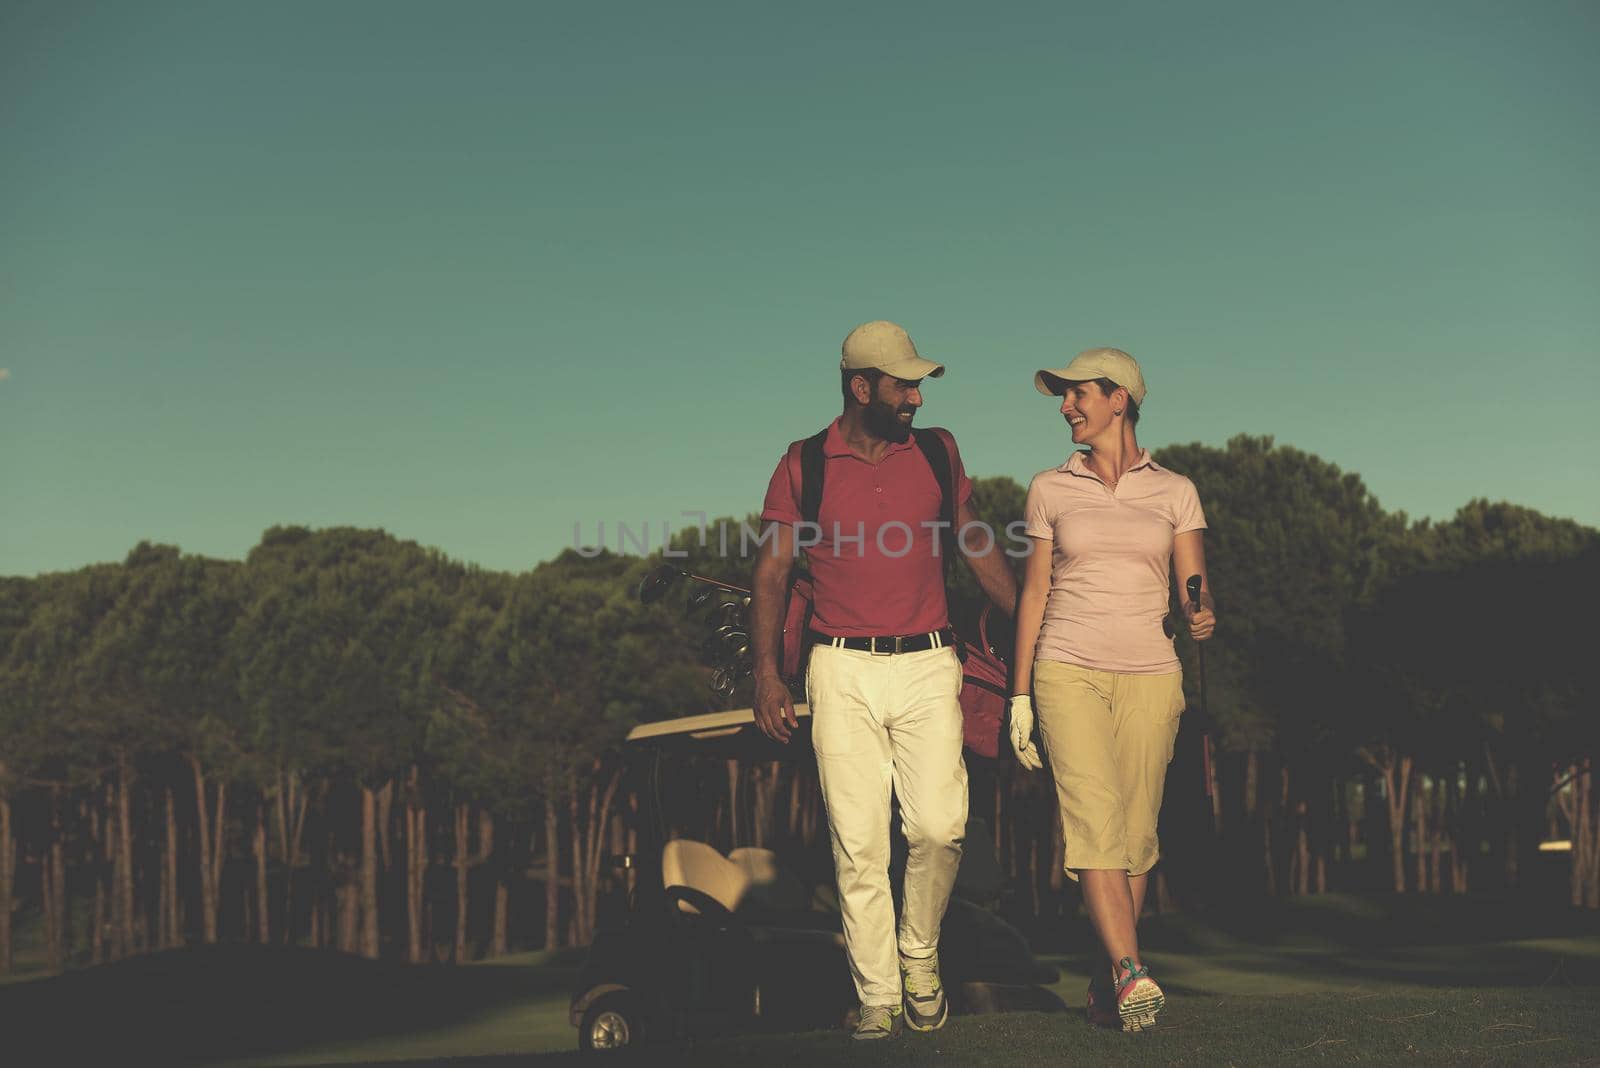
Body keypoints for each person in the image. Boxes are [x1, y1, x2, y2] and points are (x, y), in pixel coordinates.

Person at [750, 320, 1017, 1041]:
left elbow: (972, 537)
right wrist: (768, 675)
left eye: (918, 385)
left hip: (931, 662)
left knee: (940, 826)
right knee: (858, 842)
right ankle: (877, 995)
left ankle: (919, 954)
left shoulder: (936, 449)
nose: (915, 399)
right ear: (860, 385)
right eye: (902, 385)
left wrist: (1025, 616)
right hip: (838, 668)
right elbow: (772, 571)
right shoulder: (804, 463)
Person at [1008, 347, 1216, 1033]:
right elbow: (1034, 591)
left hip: (1152, 674)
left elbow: (1192, 584)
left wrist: (1200, 612)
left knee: (1134, 836)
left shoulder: (1176, 491)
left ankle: (1107, 982)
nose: (1066, 407)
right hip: (1066, 668)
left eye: (1078, 395)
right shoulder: (1048, 488)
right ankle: (1132, 970)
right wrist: (1018, 696)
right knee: (1093, 821)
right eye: (1064, 398)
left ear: (1119, 399)